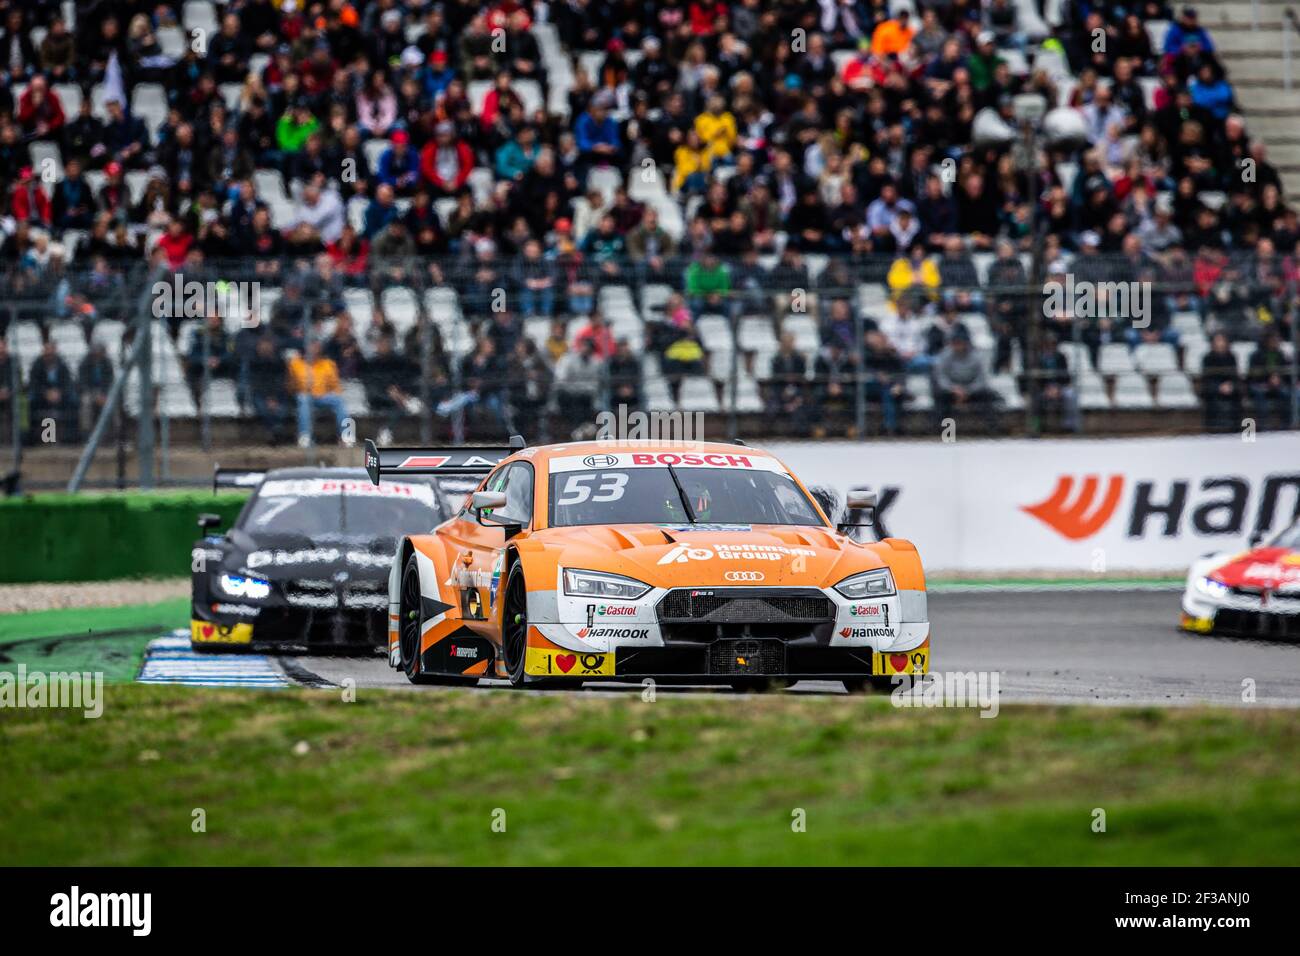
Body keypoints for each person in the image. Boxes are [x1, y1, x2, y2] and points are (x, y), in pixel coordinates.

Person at [933, 328, 1000, 432]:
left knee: (987, 395)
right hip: (951, 391)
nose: (958, 346)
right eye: (955, 343)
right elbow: (941, 378)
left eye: (960, 343)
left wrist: (967, 391)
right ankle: (942, 430)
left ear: (966, 344)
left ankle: (992, 428)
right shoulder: (945, 356)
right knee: (940, 396)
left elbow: (981, 380)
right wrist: (954, 389)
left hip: (971, 391)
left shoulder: (976, 357)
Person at [288, 339, 351, 447]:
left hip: (323, 396)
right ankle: (305, 436)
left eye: (316, 346)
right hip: (304, 396)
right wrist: (301, 386)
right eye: (311, 346)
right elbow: (290, 386)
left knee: (339, 400)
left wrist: (330, 392)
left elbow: (335, 387)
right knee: (303, 399)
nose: (314, 349)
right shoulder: (295, 363)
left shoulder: (328, 364)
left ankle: (346, 437)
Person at [365, 333, 419, 444]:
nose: (382, 347)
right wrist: (390, 394)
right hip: (378, 397)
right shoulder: (372, 363)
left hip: (395, 397)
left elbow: (403, 378)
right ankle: (404, 404)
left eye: (385, 344)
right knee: (400, 404)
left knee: (398, 407)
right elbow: (372, 387)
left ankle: (386, 430)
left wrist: (397, 392)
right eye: (380, 344)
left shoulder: (397, 361)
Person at [27, 340, 78, 444]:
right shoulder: (37, 365)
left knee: (73, 400)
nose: (49, 356)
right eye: (47, 352)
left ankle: (70, 437)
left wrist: (59, 392)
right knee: (31, 400)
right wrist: (46, 393)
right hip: (42, 395)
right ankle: (34, 437)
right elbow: (34, 383)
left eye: (51, 353)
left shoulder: (62, 364)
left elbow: (68, 382)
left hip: (60, 395)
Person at [1247, 329, 1294, 430]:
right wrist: (1267, 380)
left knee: (1286, 393)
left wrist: (1278, 379)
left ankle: (1286, 426)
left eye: (1277, 340)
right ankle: (1264, 427)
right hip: (1260, 384)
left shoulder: (1281, 355)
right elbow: (1252, 375)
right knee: (1259, 393)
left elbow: (1286, 373)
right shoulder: (1256, 355)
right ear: (1267, 340)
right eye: (1274, 339)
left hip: (1277, 385)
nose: (1276, 342)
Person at [248, 336, 291, 444]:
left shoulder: (280, 363)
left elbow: (282, 382)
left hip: (279, 394)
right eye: (263, 346)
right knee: (263, 408)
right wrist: (268, 398)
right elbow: (256, 383)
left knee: (282, 409)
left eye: (268, 346)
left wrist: (274, 398)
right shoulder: (254, 363)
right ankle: (275, 431)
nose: (265, 348)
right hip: (260, 394)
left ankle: (273, 432)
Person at [1199, 332, 1243, 433]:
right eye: (1218, 341)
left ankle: (1235, 431)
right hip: (1213, 389)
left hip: (1230, 389)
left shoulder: (1231, 357)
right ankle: (1214, 431)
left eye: (1222, 341)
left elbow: (1235, 376)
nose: (1220, 344)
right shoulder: (1207, 358)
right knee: (1213, 400)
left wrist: (1230, 386)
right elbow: (1206, 378)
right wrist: (1219, 387)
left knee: (1237, 397)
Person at [77, 342, 114, 436]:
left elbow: (110, 381)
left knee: (113, 402)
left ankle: (112, 432)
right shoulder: (85, 363)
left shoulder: (107, 363)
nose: (98, 354)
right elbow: (83, 382)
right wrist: (94, 395)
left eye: (100, 352)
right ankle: (86, 431)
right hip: (89, 391)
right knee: (86, 402)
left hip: (103, 391)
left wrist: (103, 394)